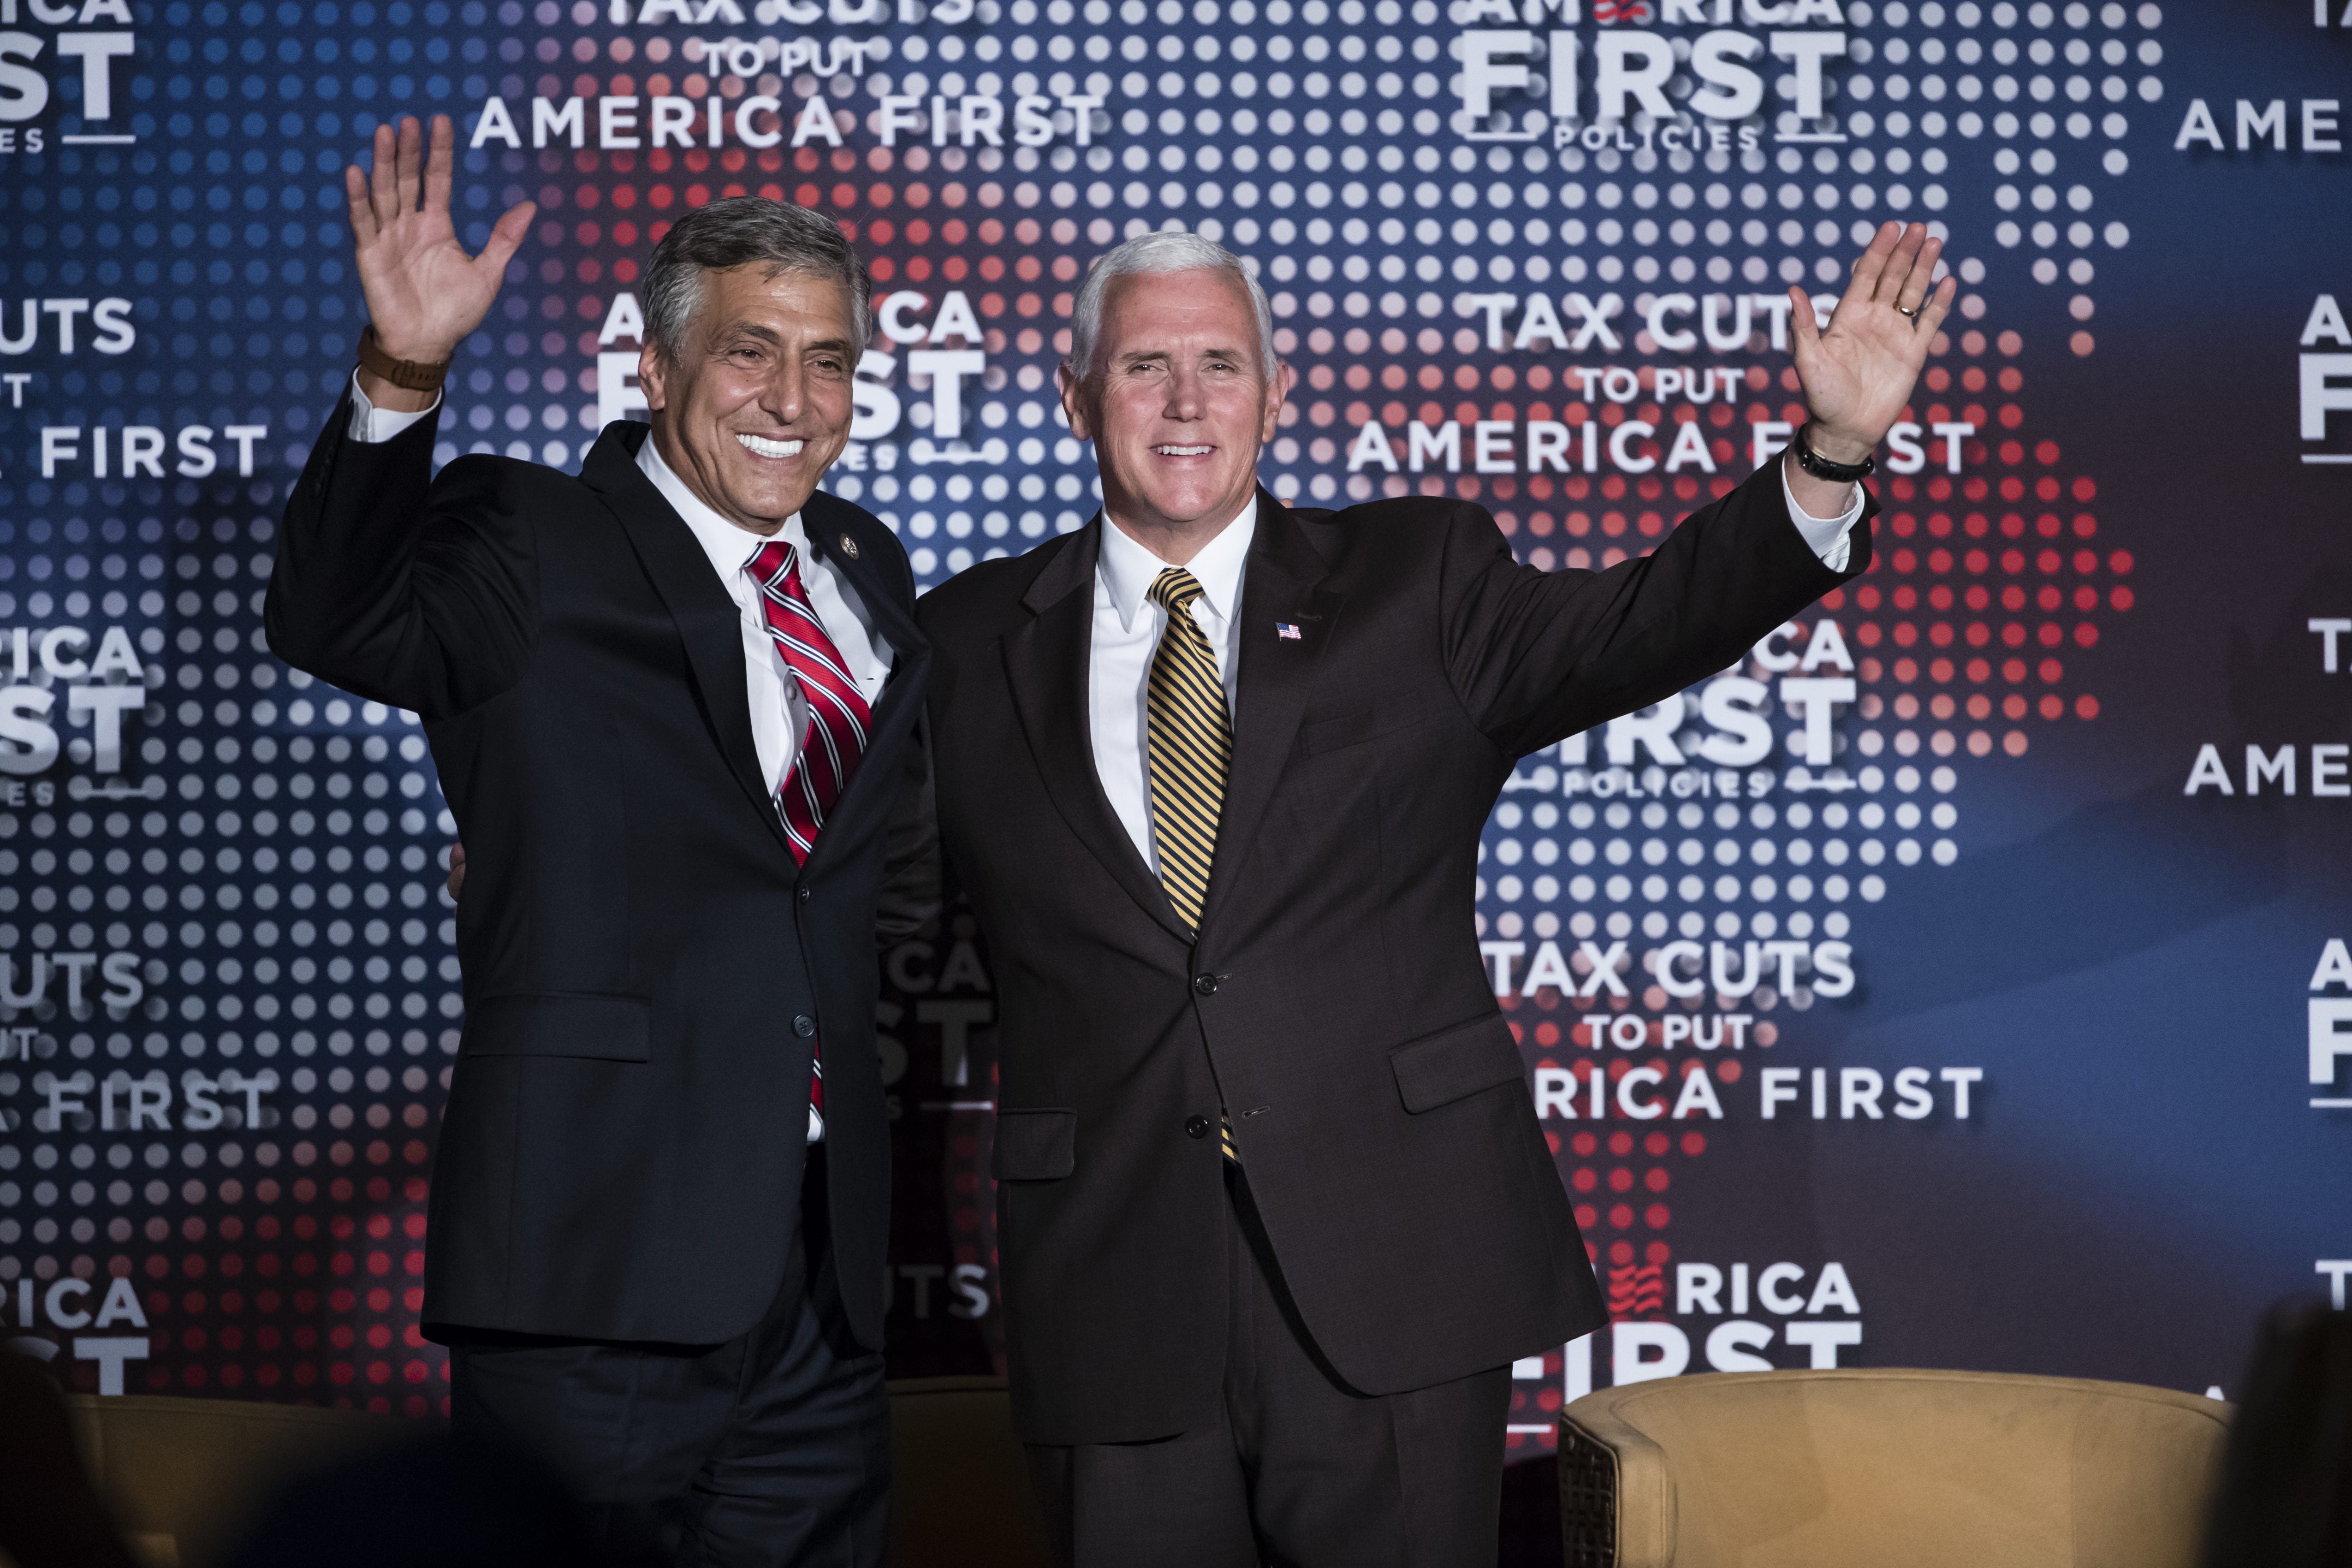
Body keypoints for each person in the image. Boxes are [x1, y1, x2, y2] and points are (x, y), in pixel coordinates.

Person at [913, 221, 1953, 1566]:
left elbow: (1649, 618)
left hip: (1388, 1270)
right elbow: (860, 899)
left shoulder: (1418, 582)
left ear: (1274, 397)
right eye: (1144, 367)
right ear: (1074, 397)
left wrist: (1827, 460)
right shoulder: (962, 640)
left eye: (1221, 365)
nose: (1185, 404)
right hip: (1110, 1283)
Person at [266, 114, 933, 1567]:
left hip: (823, 1272)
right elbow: (333, 617)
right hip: (592, 1254)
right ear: (655, 366)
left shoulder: (868, 566)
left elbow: (873, 861)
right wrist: (404, 373)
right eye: (750, 350)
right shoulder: (529, 532)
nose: (792, 397)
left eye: (830, 361)